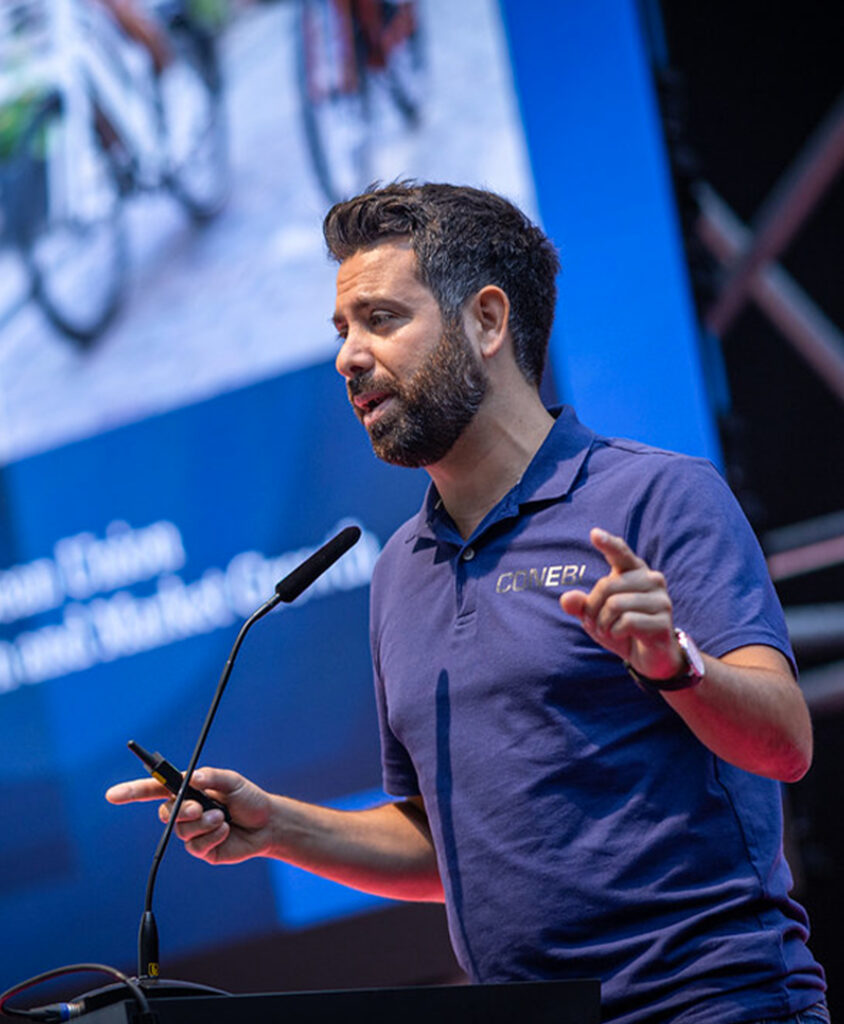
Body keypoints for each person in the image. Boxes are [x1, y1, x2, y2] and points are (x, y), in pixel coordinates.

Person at [107, 183, 829, 1023]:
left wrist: (681, 669)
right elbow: (446, 844)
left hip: (714, 1004)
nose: (347, 356)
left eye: (380, 319)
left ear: (487, 321)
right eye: (342, 331)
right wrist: (276, 826)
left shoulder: (658, 496)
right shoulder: (398, 573)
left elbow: (784, 744)